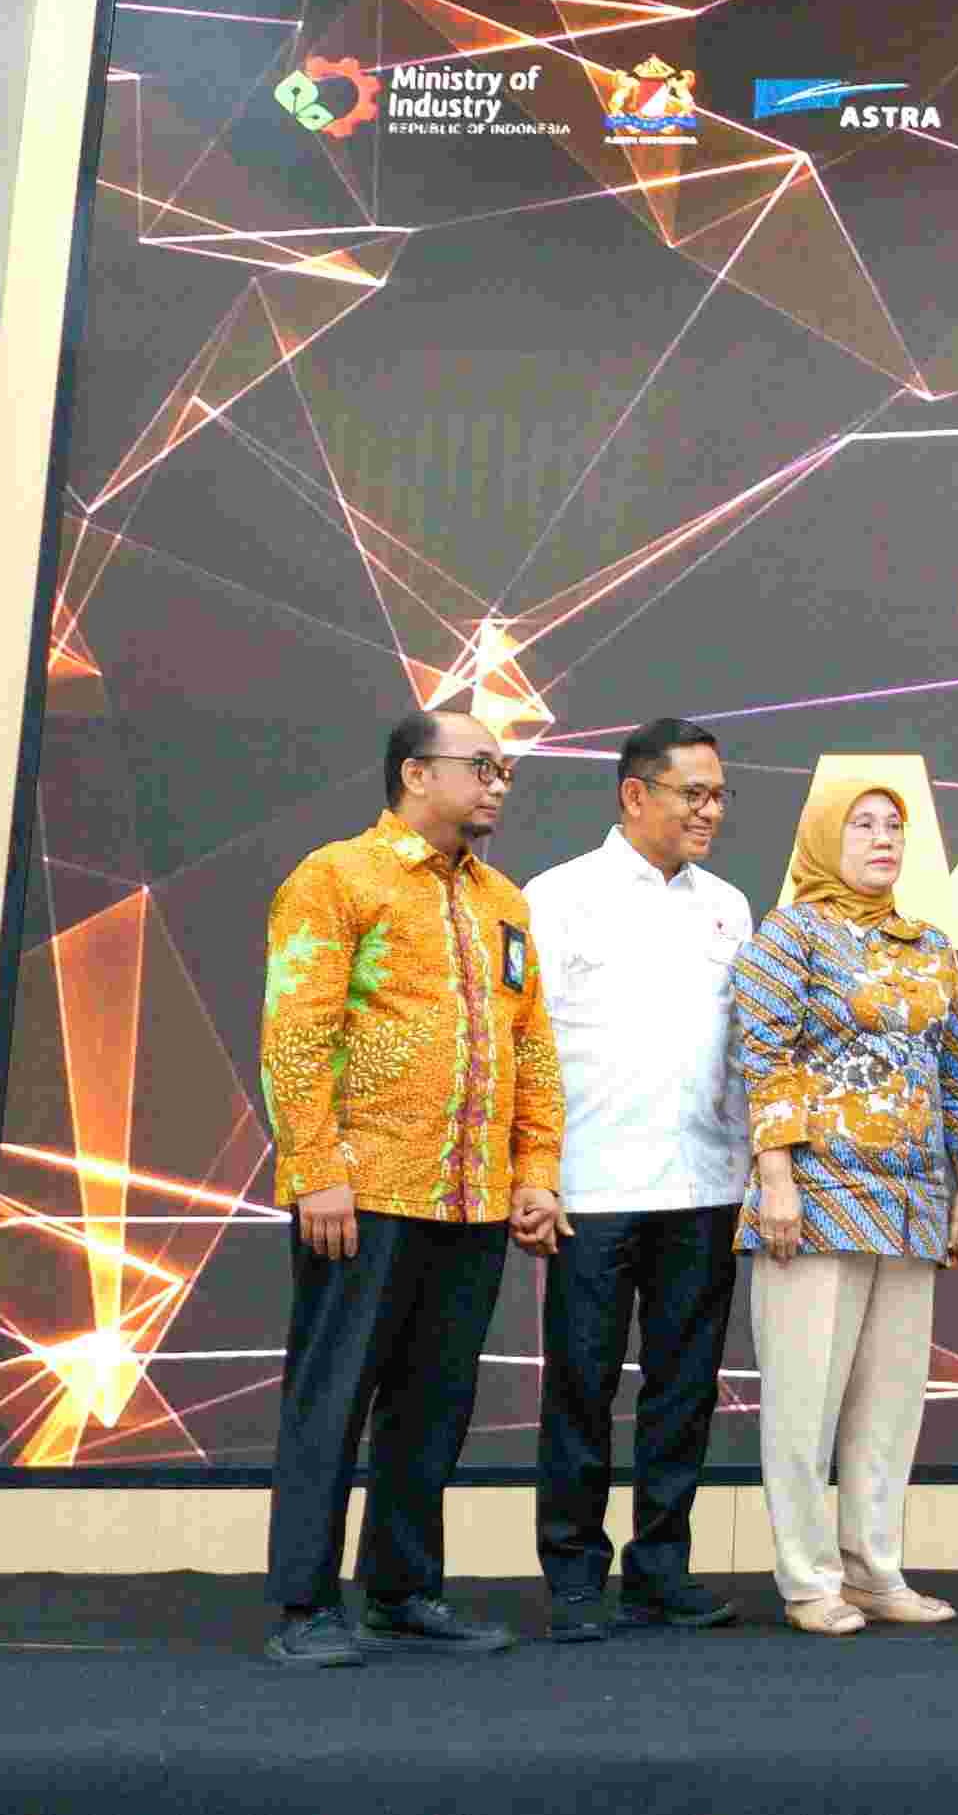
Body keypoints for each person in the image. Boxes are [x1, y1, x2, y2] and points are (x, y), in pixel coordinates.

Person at [257, 711, 565, 1669]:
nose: (499, 783)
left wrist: (536, 1173)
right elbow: (296, 1034)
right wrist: (317, 1171)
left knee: (434, 1403)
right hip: (362, 1195)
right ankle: (305, 1604)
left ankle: (402, 1591)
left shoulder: (504, 900)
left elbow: (531, 1047)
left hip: (472, 1198)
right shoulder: (337, 877)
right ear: (414, 774)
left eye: (504, 769)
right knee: (332, 1397)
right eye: (481, 766)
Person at [733, 776, 958, 1637]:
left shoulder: (930, 946)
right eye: (862, 824)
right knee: (803, 1403)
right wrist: (776, 1176)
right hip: (814, 1199)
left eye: (895, 825)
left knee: (889, 1405)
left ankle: (874, 1569)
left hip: (911, 1206)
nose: (883, 838)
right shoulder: (789, 935)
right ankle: (808, 1580)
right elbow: (764, 1056)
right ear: (823, 837)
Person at [523, 717, 752, 1641]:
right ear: (633, 794)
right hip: (590, 1186)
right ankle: (575, 1575)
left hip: (704, 1184)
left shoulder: (729, 905)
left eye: (719, 795)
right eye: (693, 793)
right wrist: (534, 1174)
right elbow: (526, 1046)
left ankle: (661, 1568)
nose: (710, 811)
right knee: (580, 1387)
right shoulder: (557, 896)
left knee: (684, 1388)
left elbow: (744, 1053)